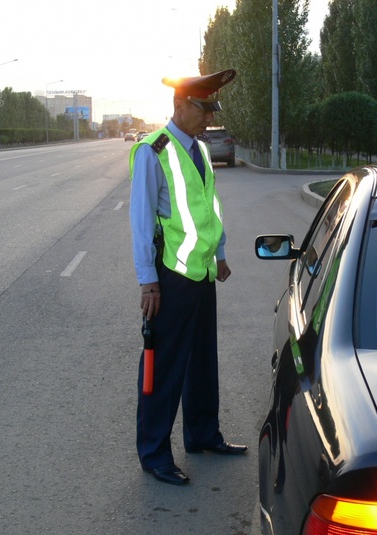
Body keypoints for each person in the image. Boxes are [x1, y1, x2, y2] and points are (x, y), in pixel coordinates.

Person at [128, 68, 247, 486]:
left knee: (201, 360)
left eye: (212, 109)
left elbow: (206, 207)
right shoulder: (153, 150)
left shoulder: (198, 148)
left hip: (202, 272)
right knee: (164, 369)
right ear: (179, 105)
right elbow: (142, 219)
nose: (209, 118)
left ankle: (202, 434)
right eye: (203, 108)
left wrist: (221, 252)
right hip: (171, 276)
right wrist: (148, 281)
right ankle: (155, 453)